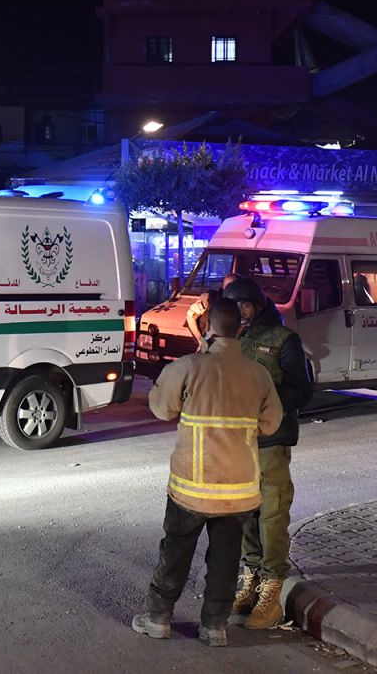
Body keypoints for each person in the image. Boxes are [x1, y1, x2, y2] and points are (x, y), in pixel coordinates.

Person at [132, 297, 281, 648]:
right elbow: (272, 424)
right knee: (226, 562)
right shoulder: (258, 374)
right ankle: (215, 627)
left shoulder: (188, 367)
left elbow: (160, 408)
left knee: (176, 554)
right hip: (238, 492)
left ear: (209, 328)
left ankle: (158, 619)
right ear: (239, 329)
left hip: (191, 488)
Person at [221, 275, 315, 630]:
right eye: (235, 307)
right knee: (246, 513)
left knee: (272, 515)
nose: (241, 313)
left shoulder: (283, 339)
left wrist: (265, 406)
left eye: (245, 306)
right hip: (238, 443)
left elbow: (301, 390)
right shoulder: (231, 338)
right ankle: (252, 578)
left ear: (257, 304)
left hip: (271, 440)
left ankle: (272, 592)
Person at [185, 272, 241, 343]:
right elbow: (190, 316)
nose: (229, 290)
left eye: (233, 286)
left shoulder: (243, 306)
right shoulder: (209, 300)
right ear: (223, 287)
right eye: (227, 286)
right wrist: (200, 341)